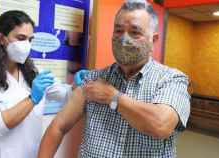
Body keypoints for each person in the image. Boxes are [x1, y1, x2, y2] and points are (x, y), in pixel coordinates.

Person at [37, 1, 191, 158]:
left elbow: (160, 125)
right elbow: (58, 127)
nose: (124, 39)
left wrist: (113, 97)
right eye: (118, 30)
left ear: (154, 40)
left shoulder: (172, 79)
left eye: (135, 32)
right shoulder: (93, 79)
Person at [0, 10, 57, 158]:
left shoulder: (34, 72)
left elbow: (64, 93)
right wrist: (32, 99)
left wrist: (78, 84)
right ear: (1, 38)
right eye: (21, 38)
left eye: (29, 40)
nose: (26, 45)